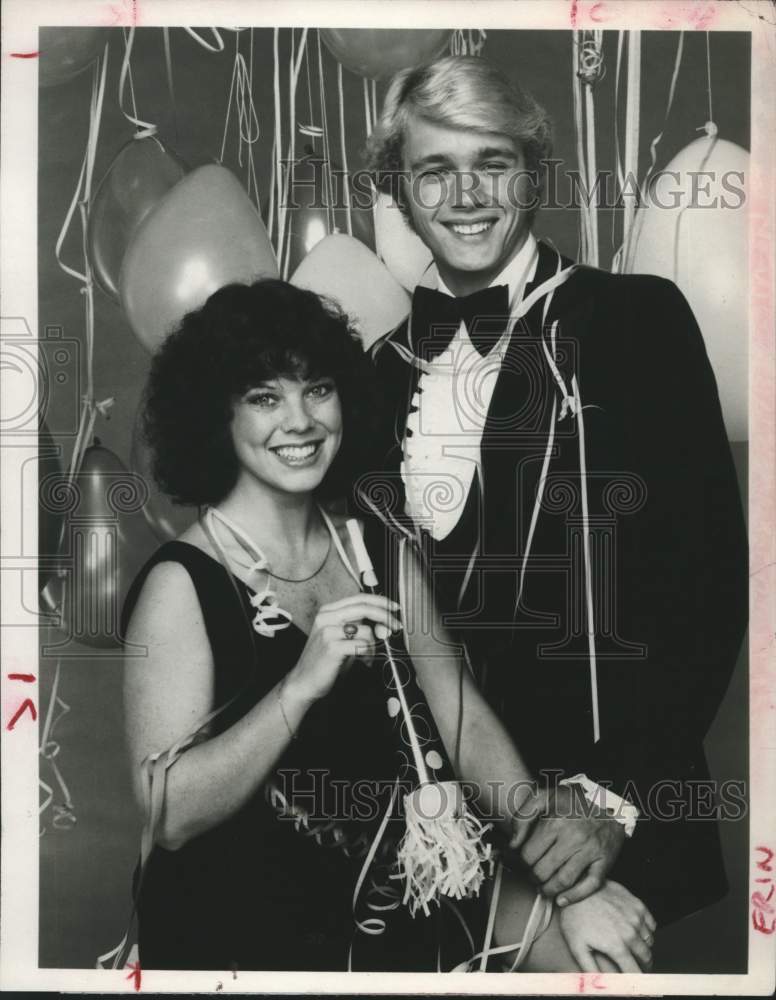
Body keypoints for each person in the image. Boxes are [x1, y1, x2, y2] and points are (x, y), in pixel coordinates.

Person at [122, 279, 653, 973]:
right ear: (214, 418)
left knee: (608, 958)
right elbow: (168, 813)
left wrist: (564, 878)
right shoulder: (180, 582)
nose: (300, 421)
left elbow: (459, 717)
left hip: (395, 889)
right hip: (239, 921)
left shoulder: (376, 546)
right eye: (263, 398)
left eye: (316, 389)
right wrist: (298, 688)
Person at [363, 54, 748, 960]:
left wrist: (613, 799)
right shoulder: (376, 370)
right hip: (441, 845)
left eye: (491, 163)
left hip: (612, 835)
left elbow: (707, 583)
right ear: (398, 189)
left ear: (532, 172)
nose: (464, 196)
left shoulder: (634, 321)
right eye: (433, 171)